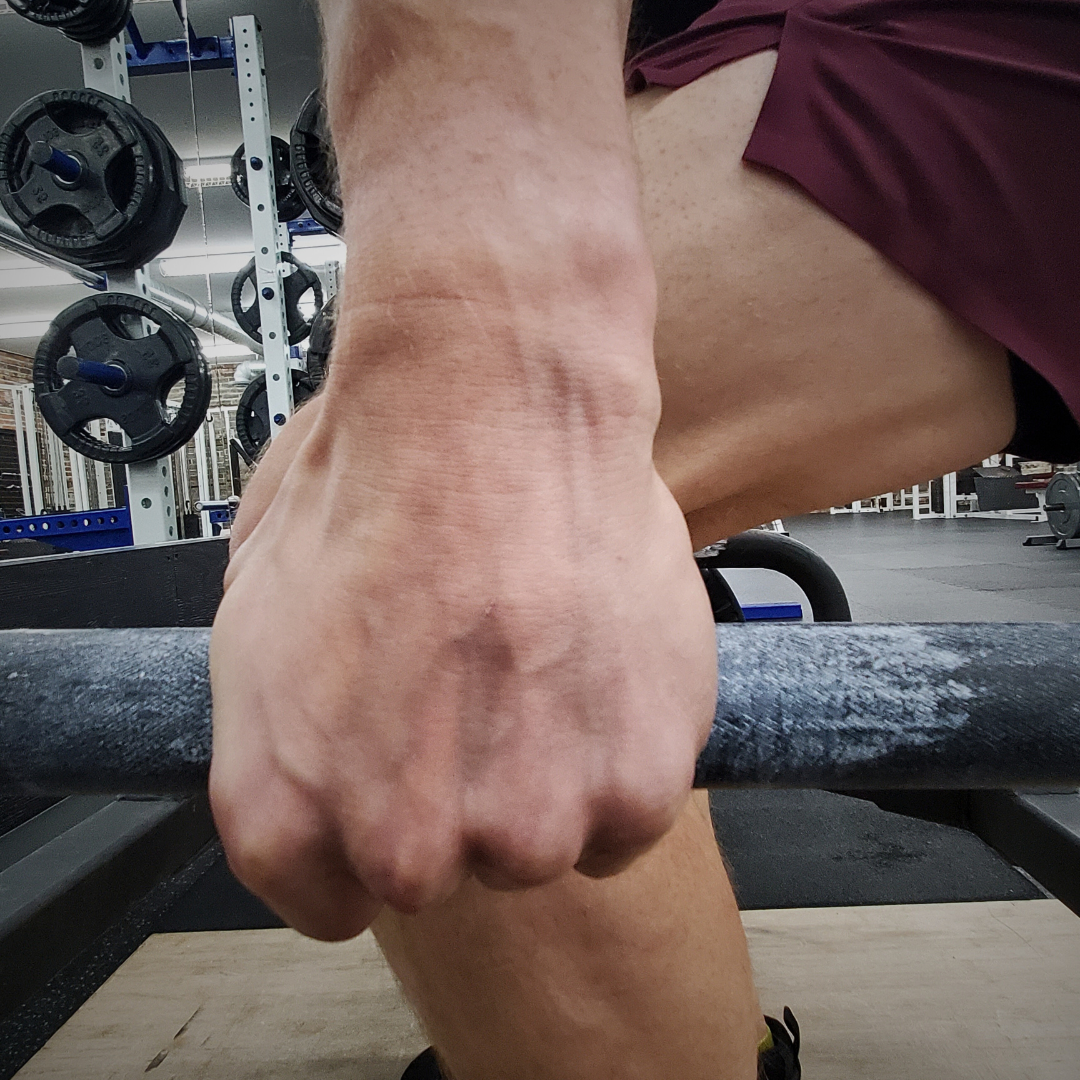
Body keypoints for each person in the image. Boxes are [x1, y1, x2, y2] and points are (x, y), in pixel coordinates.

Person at [209, 3, 1080, 1078]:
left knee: (448, 535)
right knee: (397, 602)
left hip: (982, 41)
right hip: (709, 52)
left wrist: (474, 342)